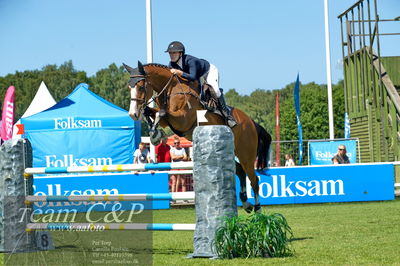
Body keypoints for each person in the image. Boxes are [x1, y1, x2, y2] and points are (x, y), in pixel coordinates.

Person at [164, 41, 236, 127]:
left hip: (208, 72)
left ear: (180, 53)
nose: (171, 55)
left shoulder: (190, 61)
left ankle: (227, 115)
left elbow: (193, 77)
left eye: (174, 53)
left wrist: (180, 72)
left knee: (215, 90)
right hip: (197, 77)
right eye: (170, 53)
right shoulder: (171, 64)